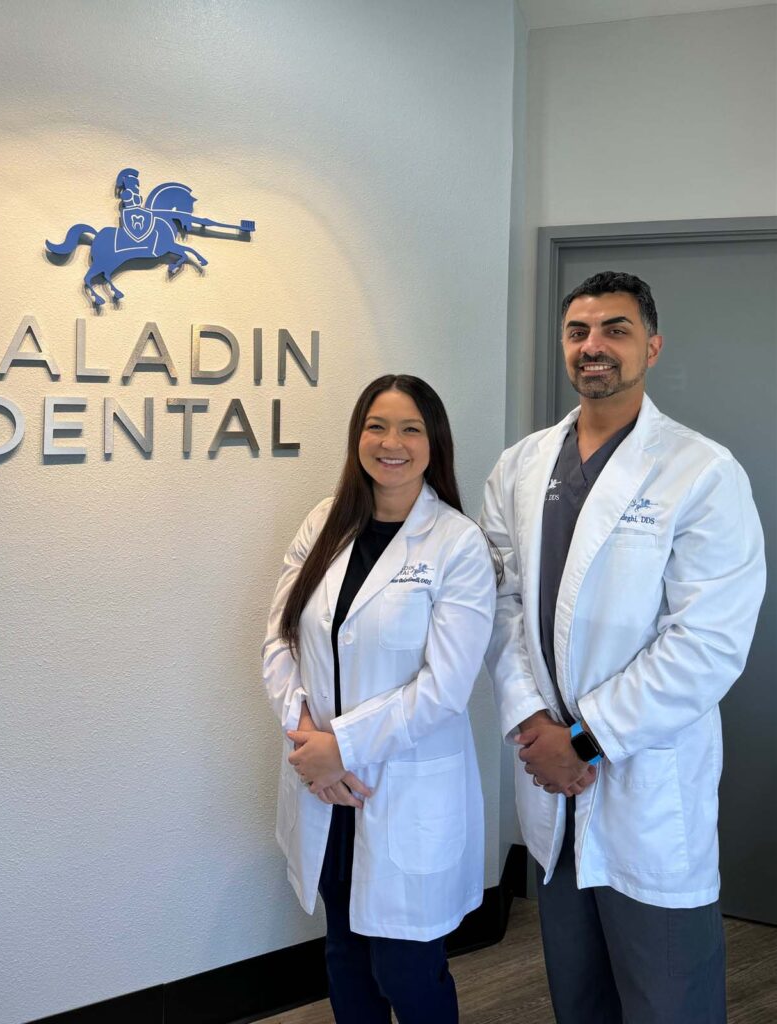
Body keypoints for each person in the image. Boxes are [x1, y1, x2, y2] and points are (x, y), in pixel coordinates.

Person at [480, 270, 766, 1024]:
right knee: (578, 997)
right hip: (551, 778)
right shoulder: (520, 464)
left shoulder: (700, 472)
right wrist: (530, 721)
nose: (592, 346)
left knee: (667, 996)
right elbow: (500, 602)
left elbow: (706, 643)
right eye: (578, 332)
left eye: (614, 329)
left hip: (642, 779)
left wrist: (584, 737)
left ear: (652, 345)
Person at [263, 374, 498, 1024]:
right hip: (329, 794)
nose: (389, 442)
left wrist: (341, 747)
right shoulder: (324, 521)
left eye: (408, 428)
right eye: (376, 426)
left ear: (433, 444)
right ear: (356, 436)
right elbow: (278, 642)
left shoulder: (456, 544)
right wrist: (305, 733)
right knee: (344, 958)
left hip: (399, 788)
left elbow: (445, 687)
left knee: (406, 971)